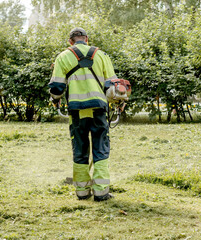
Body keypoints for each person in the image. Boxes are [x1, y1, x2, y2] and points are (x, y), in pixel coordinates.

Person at [48, 27, 117, 202]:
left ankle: (82, 192)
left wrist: (56, 99)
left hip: (76, 111)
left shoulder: (63, 57)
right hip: (98, 109)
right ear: (86, 39)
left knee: (80, 149)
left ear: (70, 41)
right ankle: (101, 192)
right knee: (100, 147)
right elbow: (112, 86)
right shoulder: (102, 55)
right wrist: (118, 104)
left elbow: (56, 87)